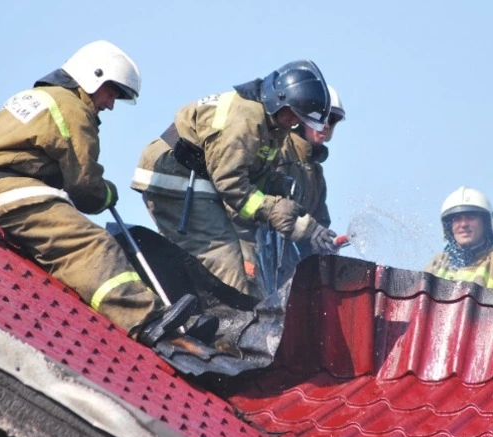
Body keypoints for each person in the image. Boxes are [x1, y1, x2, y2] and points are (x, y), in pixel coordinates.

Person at [0, 40, 197, 346]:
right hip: (18, 193)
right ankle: (148, 320)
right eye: (111, 92)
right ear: (93, 76)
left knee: (63, 253)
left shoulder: (38, 97)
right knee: (94, 245)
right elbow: (84, 186)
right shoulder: (72, 108)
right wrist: (107, 194)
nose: (110, 104)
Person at [131, 60, 340, 299]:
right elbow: (231, 183)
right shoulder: (247, 119)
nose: (295, 124)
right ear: (282, 100)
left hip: (198, 178)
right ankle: (228, 329)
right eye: (295, 116)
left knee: (222, 258)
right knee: (225, 259)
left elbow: (251, 171)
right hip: (177, 176)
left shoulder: (270, 121)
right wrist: (282, 215)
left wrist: (278, 185)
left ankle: (207, 312)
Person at [254, 85, 346, 294]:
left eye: (332, 120)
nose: (326, 125)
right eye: (320, 117)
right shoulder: (280, 150)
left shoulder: (315, 173)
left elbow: (319, 223)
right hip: (258, 254)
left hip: (286, 271)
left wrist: (327, 242)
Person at [424, 186, 493, 292]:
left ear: (485, 223)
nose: (464, 224)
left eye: (471, 217)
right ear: (449, 226)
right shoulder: (437, 264)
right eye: (456, 219)